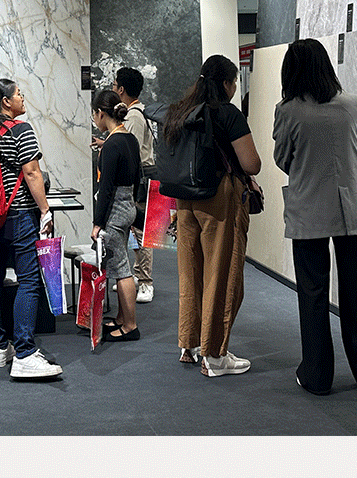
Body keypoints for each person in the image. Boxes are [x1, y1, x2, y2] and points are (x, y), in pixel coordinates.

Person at [272, 38, 357, 396]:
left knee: (312, 295)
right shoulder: (353, 104)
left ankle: (317, 375)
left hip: (309, 208)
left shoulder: (288, 110)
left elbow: (282, 158)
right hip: (353, 208)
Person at [162, 54, 262, 377]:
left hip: (185, 199)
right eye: (234, 82)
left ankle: (189, 344)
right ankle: (215, 354)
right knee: (223, 273)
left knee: (190, 272)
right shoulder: (228, 113)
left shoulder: (181, 112)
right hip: (219, 198)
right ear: (227, 84)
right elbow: (252, 164)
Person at [0, 78, 63, 379]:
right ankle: (24, 353)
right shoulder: (20, 130)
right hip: (19, 215)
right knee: (29, 282)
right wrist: (45, 210)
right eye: (19, 94)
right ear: (6, 102)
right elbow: (32, 172)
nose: (23, 98)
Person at [90, 89, 142, 342]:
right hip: (128, 204)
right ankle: (122, 318)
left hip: (115, 210)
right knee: (123, 264)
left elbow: (106, 188)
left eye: (94, 114)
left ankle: (130, 326)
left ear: (101, 113)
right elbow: (138, 177)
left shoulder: (111, 145)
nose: (94, 120)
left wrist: (97, 223)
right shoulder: (129, 139)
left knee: (122, 270)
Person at [114, 67, 156, 304]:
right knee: (133, 229)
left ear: (122, 89)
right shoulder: (135, 113)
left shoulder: (135, 116)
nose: (113, 89)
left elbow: (132, 151)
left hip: (140, 178)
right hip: (138, 177)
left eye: (115, 85)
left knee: (141, 231)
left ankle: (146, 282)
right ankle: (137, 276)